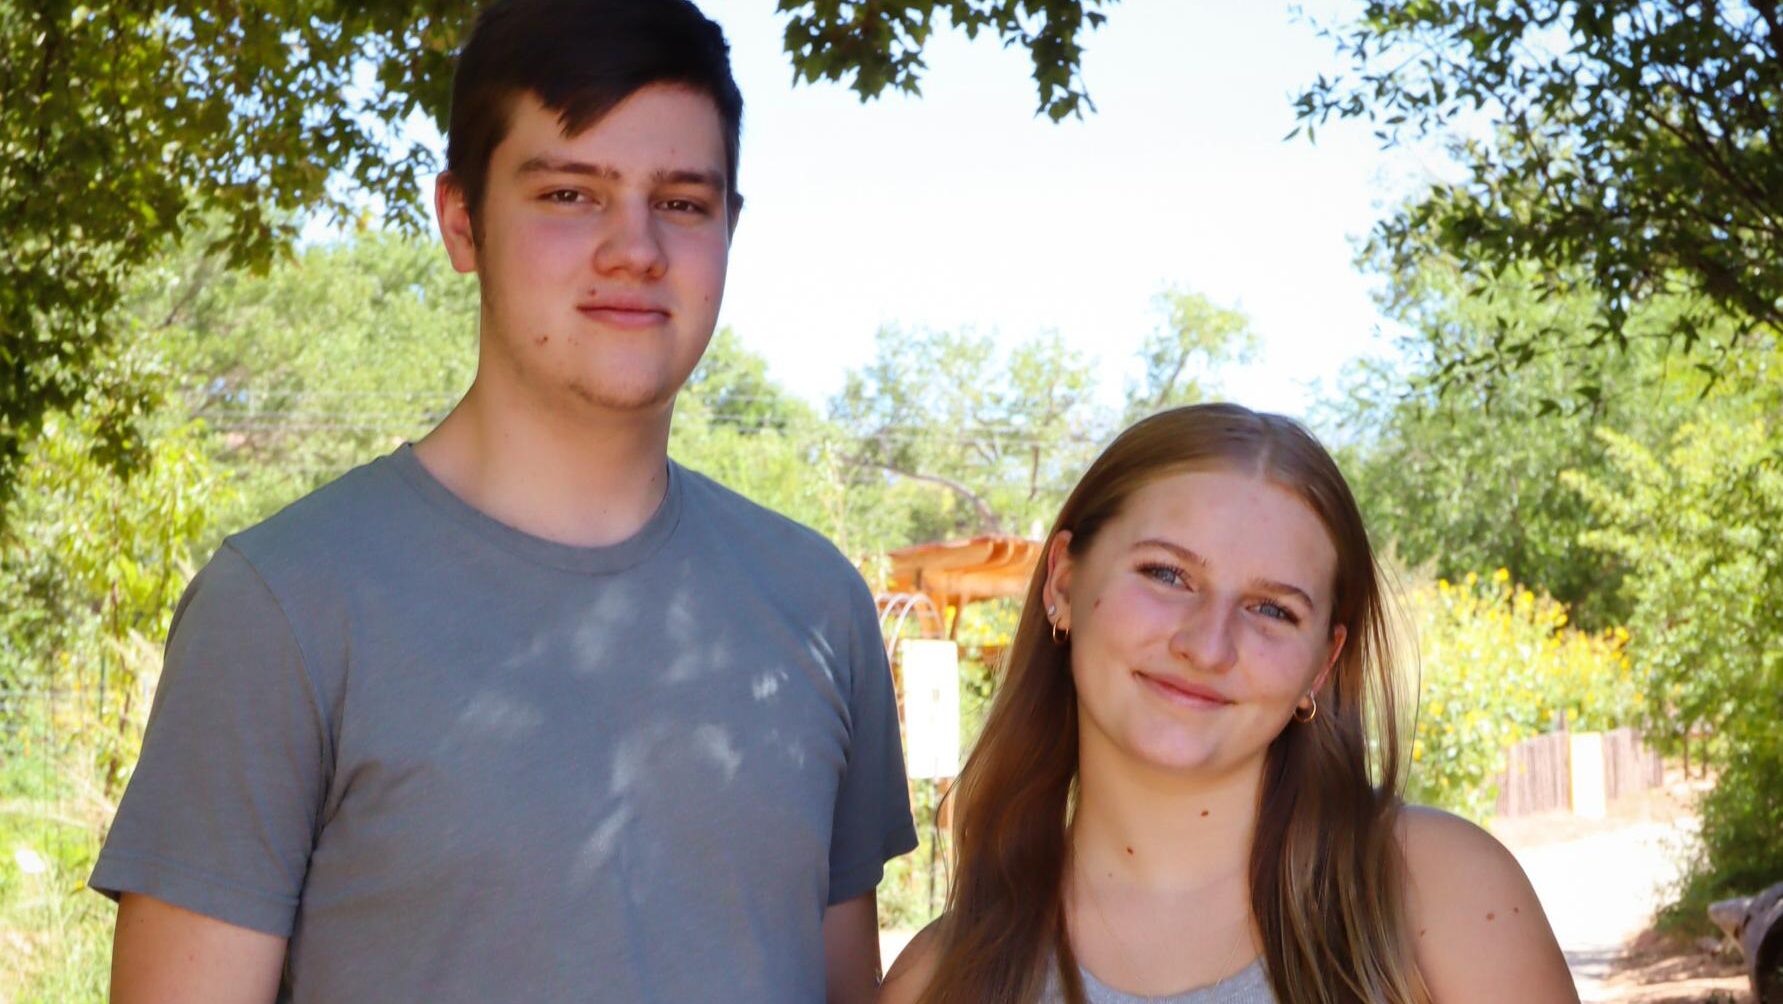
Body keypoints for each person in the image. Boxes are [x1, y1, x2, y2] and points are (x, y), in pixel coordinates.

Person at [91, 2, 917, 1001]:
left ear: (730, 228)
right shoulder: (282, 608)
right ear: (460, 220)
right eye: (571, 192)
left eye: (685, 202)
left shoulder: (818, 604)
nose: (635, 248)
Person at [880, 403, 1577, 1004]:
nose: (1208, 646)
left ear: (1321, 664)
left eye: (1271, 610)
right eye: (1166, 574)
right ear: (1062, 580)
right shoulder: (941, 979)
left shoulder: (1438, 895)